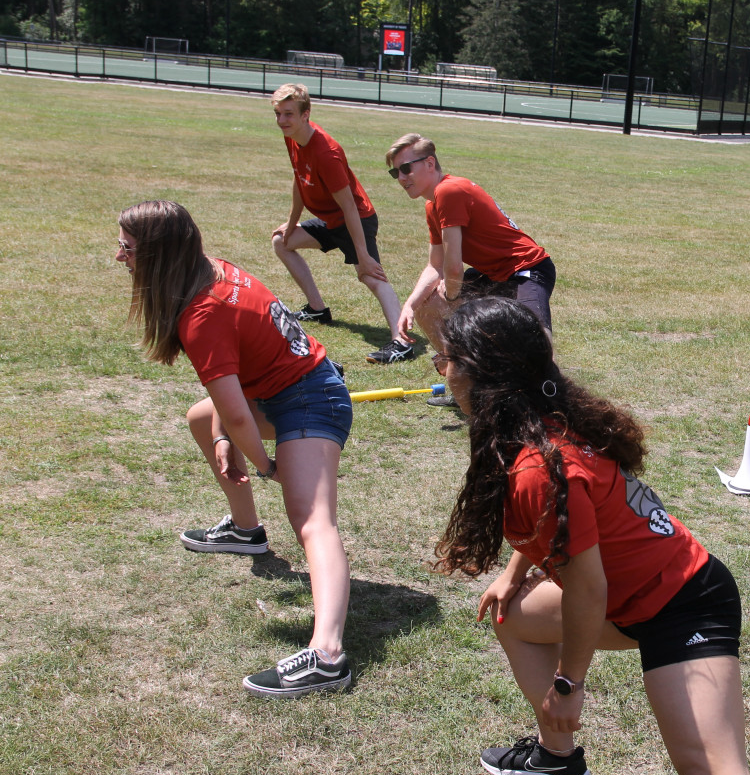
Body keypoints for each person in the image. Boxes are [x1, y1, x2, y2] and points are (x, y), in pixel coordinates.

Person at [433, 297, 750, 775]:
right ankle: (558, 760)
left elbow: (587, 589)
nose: (442, 371)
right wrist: (511, 575)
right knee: (511, 615)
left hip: (687, 603)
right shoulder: (543, 422)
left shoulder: (539, 465)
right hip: (629, 596)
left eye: (446, 359)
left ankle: (560, 733)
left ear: (483, 375)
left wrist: (568, 686)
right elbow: (565, 532)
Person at [117, 200, 354, 699]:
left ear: (159, 256)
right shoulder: (208, 272)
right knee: (203, 419)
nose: (120, 257)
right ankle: (247, 533)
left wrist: (267, 464)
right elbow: (232, 398)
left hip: (313, 399)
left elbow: (243, 414)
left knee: (312, 519)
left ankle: (329, 657)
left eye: (128, 248)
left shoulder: (202, 314)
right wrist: (225, 436)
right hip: (286, 390)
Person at [386, 133, 556, 406]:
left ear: (430, 163)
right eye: (395, 172)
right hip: (493, 273)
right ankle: (468, 388)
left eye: (407, 168)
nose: (402, 177)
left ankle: (550, 402)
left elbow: (453, 269)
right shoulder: (432, 204)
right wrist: (410, 306)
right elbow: (435, 266)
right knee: (427, 307)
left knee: (536, 337)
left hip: (527, 269)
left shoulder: (448, 190)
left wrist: (454, 302)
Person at [270, 83, 413, 365]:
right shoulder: (293, 138)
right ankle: (317, 309)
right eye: (278, 114)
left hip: (355, 220)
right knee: (281, 242)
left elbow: (349, 206)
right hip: (329, 220)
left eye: (288, 114)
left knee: (371, 275)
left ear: (305, 114)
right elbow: (300, 180)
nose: (282, 121)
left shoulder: (326, 152)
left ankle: (402, 342)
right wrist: (291, 223)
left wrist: (361, 254)